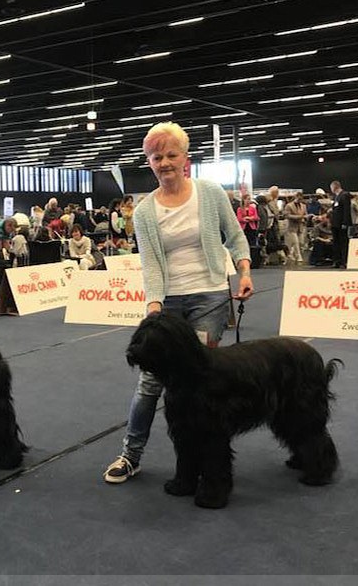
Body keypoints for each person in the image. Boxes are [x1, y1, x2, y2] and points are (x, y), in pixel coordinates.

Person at [103, 121, 253, 484]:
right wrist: (154, 308)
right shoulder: (143, 211)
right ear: (149, 162)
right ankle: (131, 454)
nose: (165, 162)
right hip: (167, 303)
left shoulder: (210, 192)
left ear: (185, 158)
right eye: (157, 157)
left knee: (200, 378)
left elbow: (234, 235)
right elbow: (151, 264)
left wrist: (244, 271)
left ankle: (203, 455)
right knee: (150, 384)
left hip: (210, 295)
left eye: (172, 155)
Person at [329, 179, 352, 269]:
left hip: (341, 224)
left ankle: (344, 261)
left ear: (334, 187)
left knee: (343, 242)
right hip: (335, 224)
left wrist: (345, 223)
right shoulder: (336, 197)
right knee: (336, 243)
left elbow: (346, 210)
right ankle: (337, 261)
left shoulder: (344, 195)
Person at [283, 192, 307, 264]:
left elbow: (305, 214)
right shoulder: (289, 205)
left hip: (301, 226)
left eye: (301, 198)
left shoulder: (304, 206)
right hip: (292, 227)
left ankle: (290, 254)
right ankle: (299, 257)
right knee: (295, 242)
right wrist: (299, 217)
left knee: (301, 242)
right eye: (298, 198)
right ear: (295, 197)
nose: (300, 200)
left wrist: (306, 218)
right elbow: (287, 216)